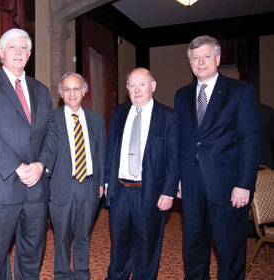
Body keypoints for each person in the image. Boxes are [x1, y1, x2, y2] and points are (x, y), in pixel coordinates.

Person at [0, 28, 58, 280]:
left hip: (36, 185)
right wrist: (19, 167)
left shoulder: (41, 90)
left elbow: (52, 133)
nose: (18, 52)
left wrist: (41, 165)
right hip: (1, 184)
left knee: (33, 251)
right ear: (1, 53)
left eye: (23, 48)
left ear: (29, 55)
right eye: (12, 47)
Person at [174, 35, 261, 280]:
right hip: (191, 186)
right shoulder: (182, 95)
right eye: (195, 58)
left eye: (206, 56)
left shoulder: (240, 91)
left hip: (228, 186)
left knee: (230, 251)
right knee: (194, 250)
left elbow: (250, 141)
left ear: (218, 58)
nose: (200, 62)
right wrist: (178, 179)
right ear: (190, 62)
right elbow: (182, 140)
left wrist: (244, 184)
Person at [104, 68, 179, 280]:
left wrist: (169, 191)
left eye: (142, 84)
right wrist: (107, 179)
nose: (137, 90)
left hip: (150, 192)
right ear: (127, 88)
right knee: (119, 245)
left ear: (152, 86)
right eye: (132, 85)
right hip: (120, 191)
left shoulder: (167, 116)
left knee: (148, 246)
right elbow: (112, 149)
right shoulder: (119, 113)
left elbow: (174, 158)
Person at [49, 73, 107, 279]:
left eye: (76, 89)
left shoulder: (96, 119)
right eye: (67, 89)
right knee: (62, 236)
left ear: (84, 91)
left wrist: (101, 183)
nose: (72, 93)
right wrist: (47, 187)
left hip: (89, 186)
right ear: (61, 94)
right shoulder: (51, 119)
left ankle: (82, 272)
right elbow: (43, 154)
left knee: (84, 234)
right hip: (60, 186)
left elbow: (101, 153)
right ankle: (63, 273)